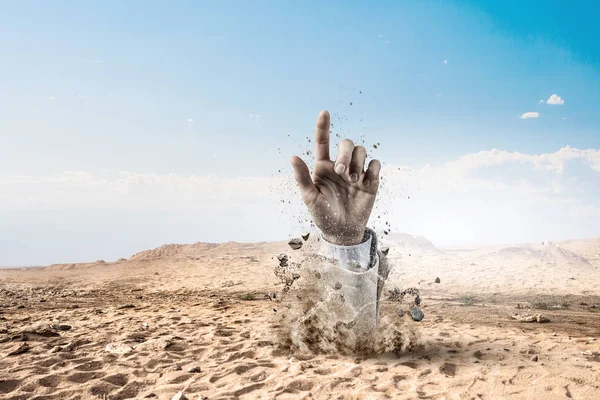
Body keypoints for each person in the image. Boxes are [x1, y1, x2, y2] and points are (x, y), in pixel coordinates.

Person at [290, 110, 390, 339]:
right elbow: (353, 342)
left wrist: (347, 242)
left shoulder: (378, 268)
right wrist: (344, 242)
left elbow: (360, 339)